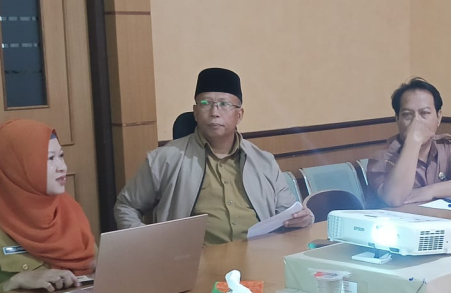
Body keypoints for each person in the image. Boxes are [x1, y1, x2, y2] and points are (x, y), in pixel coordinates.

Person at [114, 68, 313, 244]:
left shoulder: (264, 161)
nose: (214, 112)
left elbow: (289, 213)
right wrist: (148, 244)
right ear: (195, 112)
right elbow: (126, 206)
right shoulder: (164, 159)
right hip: (195, 264)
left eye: (224, 104)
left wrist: (304, 218)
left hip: (259, 256)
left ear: (239, 115)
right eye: (205, 103)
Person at [0, 119, 96, 293]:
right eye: (50, 158)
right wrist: (14, 283)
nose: (62, 167)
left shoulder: (69, 210)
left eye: (61, 156)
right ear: (17, 166)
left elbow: (92, 263)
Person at [366, 77, 451, 207]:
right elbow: (394, 198)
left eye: (424, 113)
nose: (416, 121)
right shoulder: (382, 158)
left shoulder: (446, 148)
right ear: (397, 119)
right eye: (407, 115)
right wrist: (413, 141)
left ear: (438, 117)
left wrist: (430, 191)